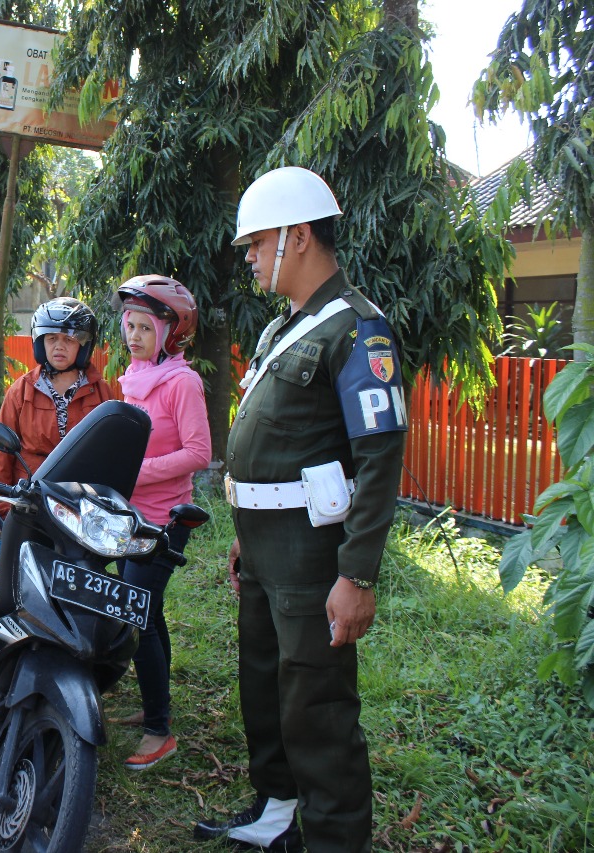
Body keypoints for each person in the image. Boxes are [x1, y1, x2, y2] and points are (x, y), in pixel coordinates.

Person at [193, 166, 408, 853]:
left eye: (258, 243)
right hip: (262, 545)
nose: (251, 257)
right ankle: (278, 811)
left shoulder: (357, 330)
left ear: (300, 236)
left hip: (313, 557)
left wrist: (359, 574)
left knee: (317, 705)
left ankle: (337, 840)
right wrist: (242, 534)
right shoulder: (282, 330)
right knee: (264, 686)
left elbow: (379, 458)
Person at [109, 276, 210, 771]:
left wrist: (137, 473)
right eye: (130, 326)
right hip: (133, 515)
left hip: (166, 518)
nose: (134, 336)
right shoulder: (136, 378)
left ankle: (159, 733)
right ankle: (155, 706)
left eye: (145, 328)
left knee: (137, 615)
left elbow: (199, 452)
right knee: (149, 611)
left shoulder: (181, 382)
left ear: (171, 333)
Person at [0, 297, 113, 489]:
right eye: (52, 338)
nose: (59, 346)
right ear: (41, 342)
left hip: (84, 497)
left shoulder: (101, 391)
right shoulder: (21, 390)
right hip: (30, 494)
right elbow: (1, 454)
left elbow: (112, 453)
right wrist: (2, 508)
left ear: (84, 346)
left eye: (69, 339)